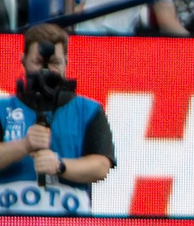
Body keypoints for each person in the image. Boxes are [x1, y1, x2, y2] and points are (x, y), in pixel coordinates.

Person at [0, 22, 112, 212]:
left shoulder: (89, 110)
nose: (47, 70)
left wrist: (60, 166)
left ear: (66, 61)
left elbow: (102, 165)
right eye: (38, 61)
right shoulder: (3, 109)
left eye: (55, 62)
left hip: (69, 225)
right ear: (23, 59)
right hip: (10, 223)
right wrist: (23, 146)